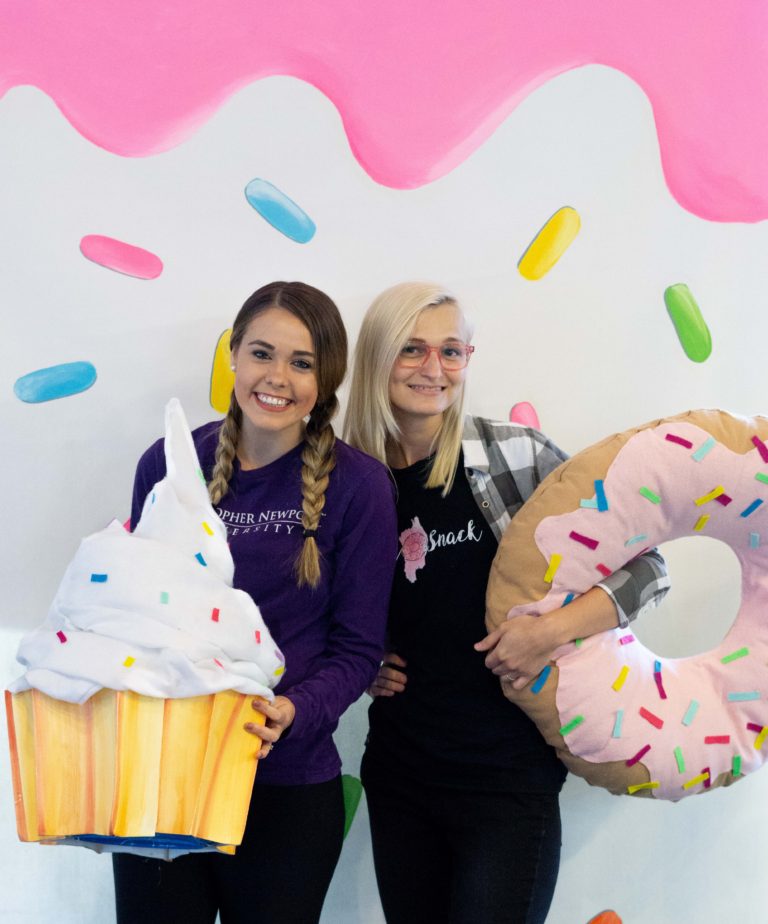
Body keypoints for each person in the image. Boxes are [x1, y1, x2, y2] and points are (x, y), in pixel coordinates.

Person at [343, 282, 669, 924]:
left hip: (507, 780)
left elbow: (648, 567)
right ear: (378, 357)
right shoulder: (349, 479)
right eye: (411, 349)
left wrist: (551, 633)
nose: (433, 370)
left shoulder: (514, 457)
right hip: (401, 776)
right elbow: (320, 598)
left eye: (451, 351)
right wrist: (361, 654)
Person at [113, 281, 397, 924]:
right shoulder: (169, 463)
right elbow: (135, 615)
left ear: (326, 380)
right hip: (162, 777)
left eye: (302, 363)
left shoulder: (360, 486)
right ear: (233, 356)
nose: (278, 378)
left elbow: (357, 649)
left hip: (287, 789)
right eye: (262, 353)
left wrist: (294, 710)